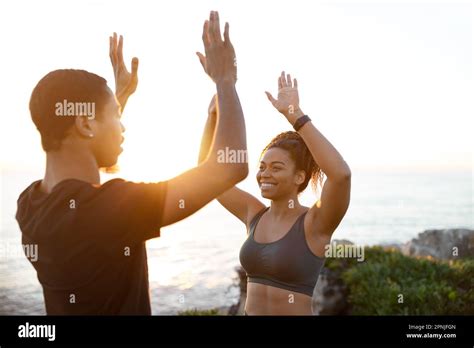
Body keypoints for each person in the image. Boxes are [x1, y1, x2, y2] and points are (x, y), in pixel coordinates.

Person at [15, 11, 248, 315]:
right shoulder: (109, 207)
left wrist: (117, 99)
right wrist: (225, 80)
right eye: (115, 116)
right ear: (85, 124)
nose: (122, 126)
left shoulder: (30, 204)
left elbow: (80, 174)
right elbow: (229, 166)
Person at [199, 71, 351, 315]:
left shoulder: (315, 223)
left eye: (276, 168)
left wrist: (295, 117)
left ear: (299, 177)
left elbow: (341, 175)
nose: (264, 174)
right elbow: (207, 179)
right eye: (262, 167)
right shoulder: (254, 213)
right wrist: (212, 119)